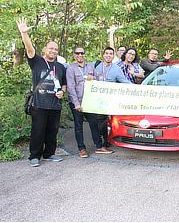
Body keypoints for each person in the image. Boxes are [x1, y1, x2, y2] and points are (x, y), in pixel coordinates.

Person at [17, 18, 67, 167]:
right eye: (51, 48)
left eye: (56, 49)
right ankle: (34, 156)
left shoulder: (61, 66)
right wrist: (24, 34)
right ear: (46, 49)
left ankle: (49, 153)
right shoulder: (37, 61)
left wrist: (62, 92)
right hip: (39, 104)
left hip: (55, 104)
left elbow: (64, 84)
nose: (53, 51)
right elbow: (29, 49)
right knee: (38, 131)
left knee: (52, 131)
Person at [66, 47, 110, 157]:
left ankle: (99, 146)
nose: (80, 55)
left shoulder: (90, 66)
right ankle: (82, 149)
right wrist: (76, 103)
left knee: (94, 123)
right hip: (78, 102)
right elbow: (70, 87)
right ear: (74, 55)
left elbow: (99, 79)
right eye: (77, 53)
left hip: (89, 101)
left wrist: (93, 77)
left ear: (84, 54)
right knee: (78, 125)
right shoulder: (71, 68)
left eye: (82, 53)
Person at [94, 47, 130, 149]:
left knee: (105, 120)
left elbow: (124, 81)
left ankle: (106, 141)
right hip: (96, 99)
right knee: (98, 121)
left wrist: (137, 88)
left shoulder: (116, 69)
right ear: (103, 55)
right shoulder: (95, 66)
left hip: (108, 100)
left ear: (113, 56)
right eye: (106, 53)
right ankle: (100, 140)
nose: (108, 55)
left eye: (110, 54)